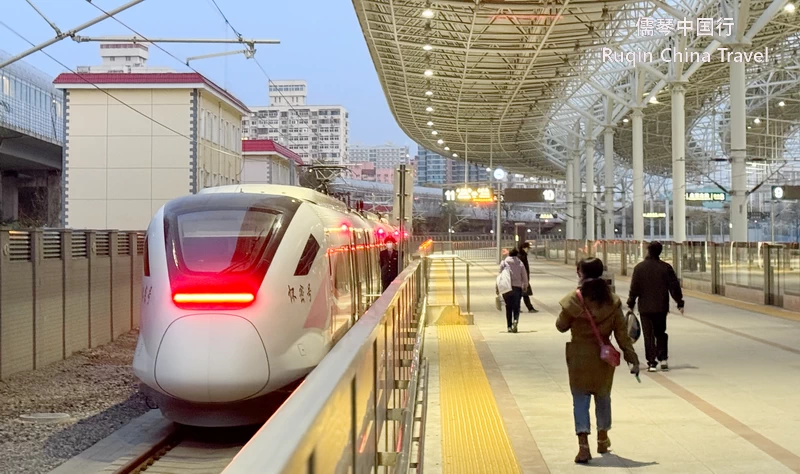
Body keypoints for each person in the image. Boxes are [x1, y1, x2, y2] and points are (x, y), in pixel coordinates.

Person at [557, 257, 640, 464]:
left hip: (579, 357)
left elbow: (561, 325)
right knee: (603, 397)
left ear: (580, 273)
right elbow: (622, 335)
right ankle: (602, 438)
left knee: (580, 400)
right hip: (603, 358)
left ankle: (583, 447)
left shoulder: (574, 300)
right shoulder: (611, 301)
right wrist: (632, 359)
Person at [626, 241, 684, 372]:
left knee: (649, 336)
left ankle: (652, 362)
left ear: (648, 251)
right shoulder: (665, 267)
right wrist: (679, 302)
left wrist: (631, 303)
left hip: (645, 308)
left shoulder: (639, 268)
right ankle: (663, 359)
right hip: (661, 307)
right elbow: (674, 287)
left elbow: (634, 288)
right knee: (661, 333)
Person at [499, 248, 528, 333]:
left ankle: (509, 326)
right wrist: (525, 285)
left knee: (508, 307)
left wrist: (498, 287)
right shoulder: (520, 263)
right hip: (517, 288)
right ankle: (515, 320)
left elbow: (500, 275)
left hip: (506, 288)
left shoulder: (504, 262)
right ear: (517, 255)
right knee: (516, 307)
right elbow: (524, 275)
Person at [518, 241, 539, 313]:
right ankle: (529, 308)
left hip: (524, 278)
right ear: (524, 248)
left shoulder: (523, 255)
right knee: (523, 294)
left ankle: (529, 308)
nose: (528, 250)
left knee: (523, 294)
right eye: (527, 248)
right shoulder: (521, 256)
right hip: (522, 278)